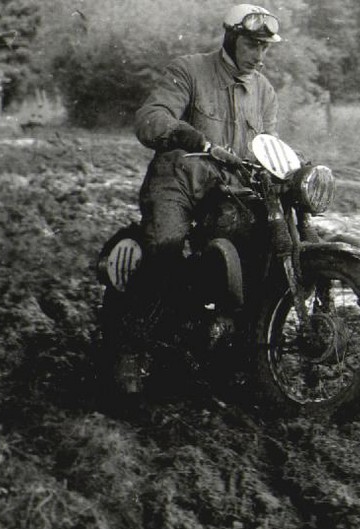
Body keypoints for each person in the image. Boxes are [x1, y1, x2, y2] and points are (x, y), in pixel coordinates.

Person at [114, 4, 283, 393]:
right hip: (179, 179)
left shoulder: (265, 92)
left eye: (265, 48)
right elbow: (150, 117)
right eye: (251, 44)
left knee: (258, 251)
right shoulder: (189, 70)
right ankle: (132, 350)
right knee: (167, 248)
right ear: (231, 38)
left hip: (227, 192)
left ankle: (240, 345)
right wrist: (189, 136)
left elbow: (267, 148)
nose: (258, 55)